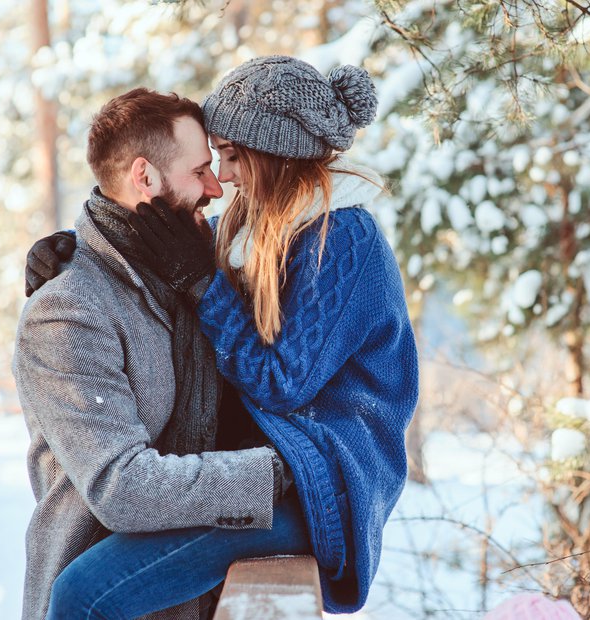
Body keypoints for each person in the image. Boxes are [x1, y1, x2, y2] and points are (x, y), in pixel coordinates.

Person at [26, 56, 419, 617]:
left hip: (318, 481)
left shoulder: (344, 239)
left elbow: (282, 383)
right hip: (272, 469)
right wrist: (71, 249)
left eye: (232, 156)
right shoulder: (255, 226)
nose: (224, 177)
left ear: (273, 153)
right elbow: (163, 238)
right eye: (215, 160)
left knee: (86, 594)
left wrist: (204, 285)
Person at [13, 88, 291, 620]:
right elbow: (123, 486)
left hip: (200, 593)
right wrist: (277, 473)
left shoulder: (196, 269)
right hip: (106, 600)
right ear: (145, 177)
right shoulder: (69, 310)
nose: (216, 187)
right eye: (199, 170)